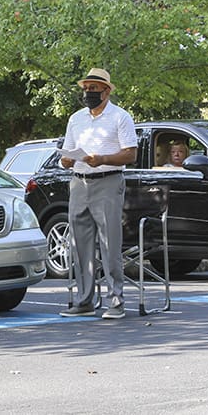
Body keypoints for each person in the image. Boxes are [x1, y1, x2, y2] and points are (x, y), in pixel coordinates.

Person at [59, 68, 137, 320]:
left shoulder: (120, 117)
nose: (88, 93)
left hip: (107, 181)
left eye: (94, 88)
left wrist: (101, 159)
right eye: (86, 88)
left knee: (109, 242)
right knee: (79, 244)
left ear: (106, 91)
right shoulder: (76, 119)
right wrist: (67, 161)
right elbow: (67, 152)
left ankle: (116, 301)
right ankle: (84, 300)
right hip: (79, 183)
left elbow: (130, 154)